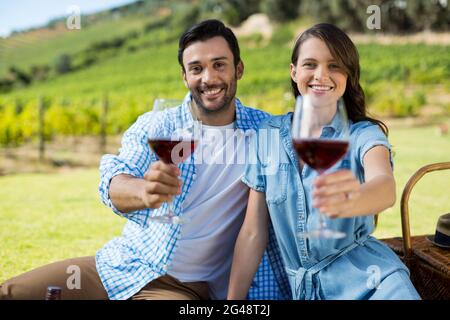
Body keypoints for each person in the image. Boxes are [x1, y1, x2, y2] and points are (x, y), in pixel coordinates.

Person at [0, 19, 285, 300]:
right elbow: (114, 179)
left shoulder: (266, 133)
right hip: (124, 265)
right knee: (10, 293)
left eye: (219, 64)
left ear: (239, 69)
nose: (208, 78)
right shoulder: (159, 125)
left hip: (182, 289)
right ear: (185, 77)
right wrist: (143, 192)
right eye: (196, 69)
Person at [227, 23, 421, 300]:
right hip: (306, 290)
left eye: (334, 66)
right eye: (310, 64)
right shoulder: (268, 135)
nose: (321, 75)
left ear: (348, 76)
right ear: (294, 72)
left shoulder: (362, 134)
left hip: (375, 283)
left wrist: (353, 198)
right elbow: (252, 232)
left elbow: (384, 186)